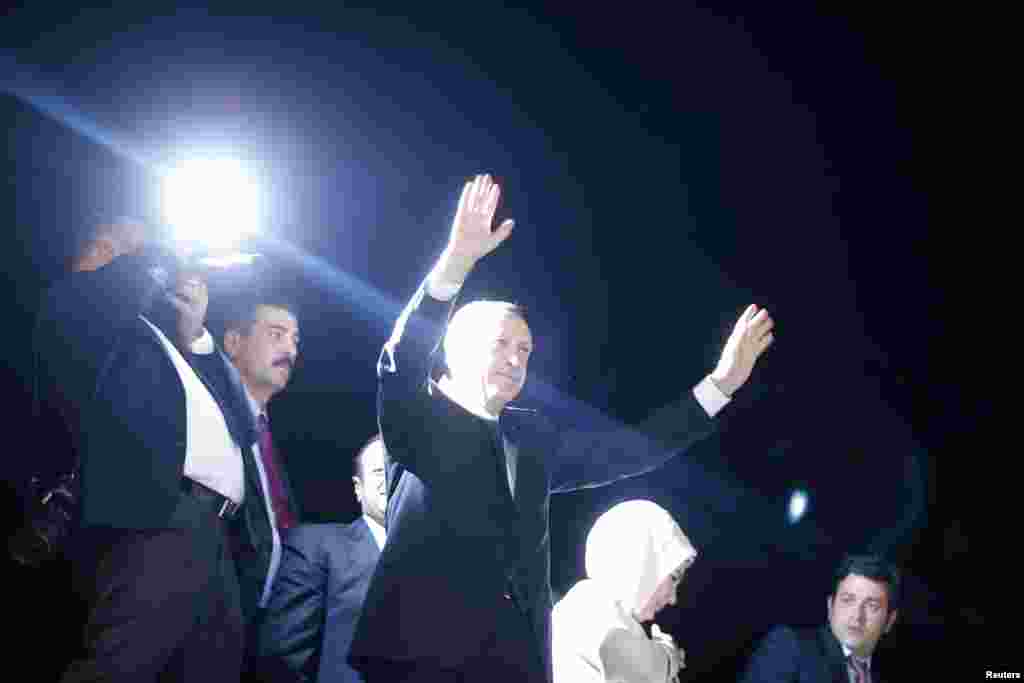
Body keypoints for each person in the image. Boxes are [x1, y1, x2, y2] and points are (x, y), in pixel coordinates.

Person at [349, 174, 775, 682]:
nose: (514, 359)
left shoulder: (532, 441)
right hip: (418, 660)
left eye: (524, 350)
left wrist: (720, 384)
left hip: (510, 664)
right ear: (458, 351)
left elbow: (627, 452)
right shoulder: (419, 419)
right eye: (500, 344)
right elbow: (400, 360)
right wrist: (456, 262)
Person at [43, 218, 263, 681]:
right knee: (119, 666)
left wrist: (197, 334)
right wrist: (157, 248)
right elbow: (79, 304)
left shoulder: (171, 345)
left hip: (216, 534)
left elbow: (245, 426)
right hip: (160, 519)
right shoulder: (96, 325)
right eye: (120, 250)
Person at [258, 434, 387, 683]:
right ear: (358, 489)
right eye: (379, 472)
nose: (389, 479)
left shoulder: (433, 553)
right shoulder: (317, 546)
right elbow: (283, 655)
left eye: (394, 470)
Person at [552, 500, 696, 683]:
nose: (672, 599)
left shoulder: (619, 619)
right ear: (644, 561)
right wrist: (667, 657)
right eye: (674, 577)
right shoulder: (586, 603)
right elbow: (625, 660)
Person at [740, 554, 900, 683]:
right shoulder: (791, 646)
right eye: (848, 600)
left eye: (872, 606)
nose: (857, 616)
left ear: (889, 621)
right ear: (830, 607)